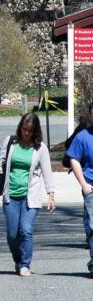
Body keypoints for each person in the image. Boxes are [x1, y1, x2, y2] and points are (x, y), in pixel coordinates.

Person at [0, 112, 55, 277]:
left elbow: (47, 173)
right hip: (10, 194)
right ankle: (17, 259)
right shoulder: (10, 142)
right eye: (24, 129)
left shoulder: (40, 148)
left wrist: (51, 194)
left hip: (30, 196)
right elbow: (1, 161)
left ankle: (25, 264)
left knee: (25, 230)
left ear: (35, 131)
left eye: (29, 131)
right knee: (12, 234)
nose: (26, 133)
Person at [67, 117, 93, 277]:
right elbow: (74, 159)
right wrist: (84, 184)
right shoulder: (83, 136)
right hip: (91, 186)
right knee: (92, 226)